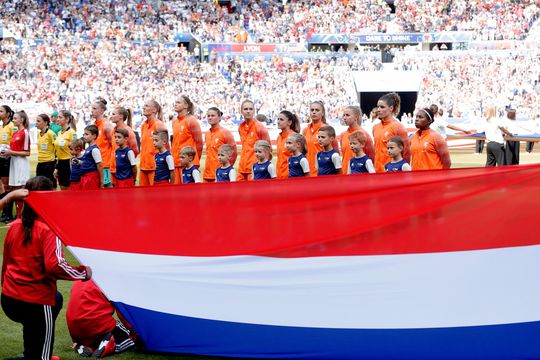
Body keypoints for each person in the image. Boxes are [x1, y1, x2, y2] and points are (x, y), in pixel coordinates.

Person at [1, 176, 91, 360]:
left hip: (9, 299)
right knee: (42, 354)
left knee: (56, 299)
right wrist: (82, 272)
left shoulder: (14, 226)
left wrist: (6, 286)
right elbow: (55, 265)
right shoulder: (48, 229)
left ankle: (32, 351)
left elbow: (6, 264)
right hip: (35, 301)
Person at [67, 280, 136, 358]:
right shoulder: (109, 279)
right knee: (132, 338)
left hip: (74, 329)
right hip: (95, 323)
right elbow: (122, 312)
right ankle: (110, 345)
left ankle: (80, 345)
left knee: (91, 332)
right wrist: (134, 331)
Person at [4, 111, 31, 219]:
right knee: (15, 190)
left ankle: (23, 217)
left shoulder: (25, 133)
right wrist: (6, 153)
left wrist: (11, 152)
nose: (13, 120)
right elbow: (13, 150)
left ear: (22, 120)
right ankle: (19, 217)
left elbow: (27, 152)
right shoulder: (15, 133)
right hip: (13, 163)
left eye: (15, 118)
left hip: (21, 165)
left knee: (21, 190)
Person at [373, 93, 410, 172]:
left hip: (393, 172)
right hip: (377, 172)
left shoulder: (398, 127)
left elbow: (406, 152)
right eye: (378, 107)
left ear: (391, 108)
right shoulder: (375, 127)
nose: (378, 110)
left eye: (382, 107)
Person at [172, 96, 203, 184]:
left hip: (188, 164)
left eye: (178, 102)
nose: (175, 104)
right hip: (176, 162)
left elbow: (199, 143)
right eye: (175, 102)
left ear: (186, 105)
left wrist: (194, 159)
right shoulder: (174, 121)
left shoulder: (191, 120)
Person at [303, 101, 338, 176]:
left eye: (317, 110)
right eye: (312, 110)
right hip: (308, 173)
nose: (314, 112)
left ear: (322, 113)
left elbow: (335, 151)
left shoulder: (327, 129)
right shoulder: (305, 130)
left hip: (323, 173)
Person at [237, 100, 271, 181]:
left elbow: (268, 148)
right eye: (245, 109)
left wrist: (262, 167)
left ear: (254, 111)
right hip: (242, 168)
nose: (248, 111)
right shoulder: (240, 127)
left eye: (250, 109)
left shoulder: (259, 127)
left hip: (255, 168)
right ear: (241, 111)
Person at [203, 107, 237, 182]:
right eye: (208, 116)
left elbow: (233, 152)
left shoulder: (226, 133)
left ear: (219, 117)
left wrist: (225, 170)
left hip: (220, 175)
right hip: (207, 174)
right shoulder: (207, 134)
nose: (210, 118)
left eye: (212, 115)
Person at [339, 106, 374, 175]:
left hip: (359, 178)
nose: (345, 118)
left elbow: (371, 157)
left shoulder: (364, 134)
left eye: (347, 115)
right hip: (345, 174)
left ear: (356, 117)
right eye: (344, 115)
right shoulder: (343, 135)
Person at [110, 106, 139, 185]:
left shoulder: (128, 130)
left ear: (120, 117)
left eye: (113, 114)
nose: (111, 116)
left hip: (124, 172)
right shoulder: (114, 129)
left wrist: (124, 162)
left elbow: (135, 151)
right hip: (114, 168)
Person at [139, 100, 166, 186]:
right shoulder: (144, 125)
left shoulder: (159, 125)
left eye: (146, 106)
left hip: (155, 167)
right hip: (143, 166)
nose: (144, 107)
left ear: (154, 110)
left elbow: (166, 147)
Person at [91, 98, 114, 187]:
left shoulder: (106, 125)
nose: (92, 111)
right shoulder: (93, 124)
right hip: (95, 164)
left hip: (105, 165)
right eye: (92, 108)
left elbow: (113, 144)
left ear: (102, 110)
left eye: (95, 109)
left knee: (106, 189)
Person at [53, 110, 78, 190]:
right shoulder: (59, 133)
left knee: (69, 190)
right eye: (57, 117)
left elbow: (76, 149)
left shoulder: (72, 132)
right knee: (62, 188)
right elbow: (58, 152)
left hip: (68, 163)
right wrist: (57, 167)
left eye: (60, 117)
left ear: (67, 119)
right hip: (60, 163)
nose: (58, 119)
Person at [0, 105, 15, 222]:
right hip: (1, 159)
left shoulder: (12, 126)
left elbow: (14, 143)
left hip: (7, 159)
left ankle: (8, 214)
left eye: (1, 111)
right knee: (2, 187)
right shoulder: (2, 126)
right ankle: (5, 211)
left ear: (8, 113)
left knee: (7, 186)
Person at [276, 110, 300, 179]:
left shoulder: (294, 137)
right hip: (279, 176)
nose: (278, 121)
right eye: (278, 119)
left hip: (290, 177)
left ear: (289, 122)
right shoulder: (279, 137)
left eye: (281, 119)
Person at [35, 114, 57, 187]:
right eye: (36, 121)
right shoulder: (38, 134)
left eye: (38, 121)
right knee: (39, 186)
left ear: (45, 123)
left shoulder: (51, 133)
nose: (36, 123)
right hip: (40, 163)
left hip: (49, 164)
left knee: (50, 186)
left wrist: (56, 163)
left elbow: (57, 147)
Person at [80, 125, 104, 189]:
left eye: (86, 134)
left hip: (92, 177)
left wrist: (102, 181)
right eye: (84, 134)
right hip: (86, 177)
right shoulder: (88, 148)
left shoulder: (94, 149)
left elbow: (99, 165)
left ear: (94, 136)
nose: (84, 136)